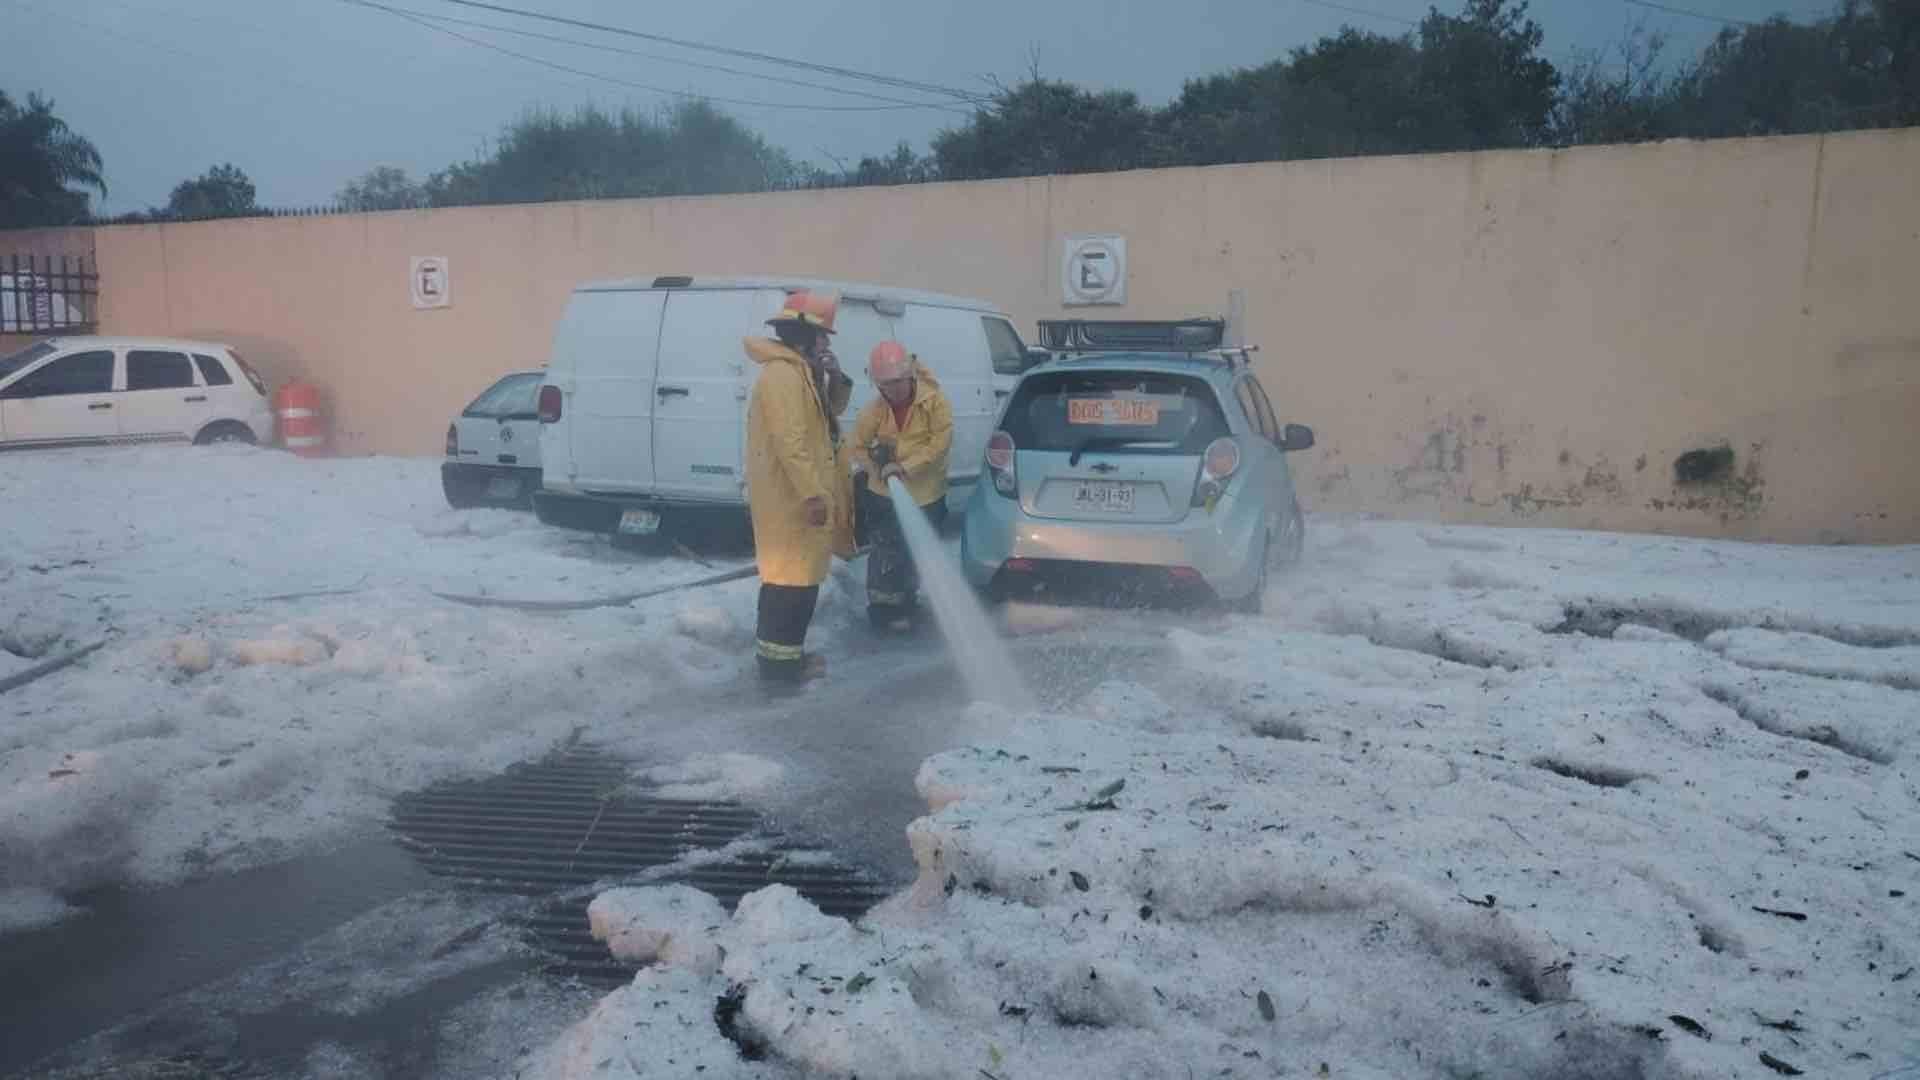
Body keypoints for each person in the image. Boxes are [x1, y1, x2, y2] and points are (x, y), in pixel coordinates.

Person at [743, 290, 855, 684]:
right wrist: (811, 494)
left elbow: (830, 416)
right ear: (803, 338)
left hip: (803, 497)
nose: (827, 343)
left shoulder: (801, 374)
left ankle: (787, 659)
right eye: (823, 337)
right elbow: (790, 441)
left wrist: (835, 378)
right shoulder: (782, 376)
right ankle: (779, 669)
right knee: (787, 587)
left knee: (801, 582)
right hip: (791, 499)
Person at [849, 340, 953, 631]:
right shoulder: (875, 410)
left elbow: (940, 445)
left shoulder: (935, 403)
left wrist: (905, 467)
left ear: (909, 376)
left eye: (896, 383)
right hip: (884, 496)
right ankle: (883, 611)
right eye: (884, 385)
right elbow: (855, 446)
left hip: (926, 495)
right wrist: (876, 468)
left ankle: (908, 601)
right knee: (885, 553)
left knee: (917, 553)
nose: (891, 391)